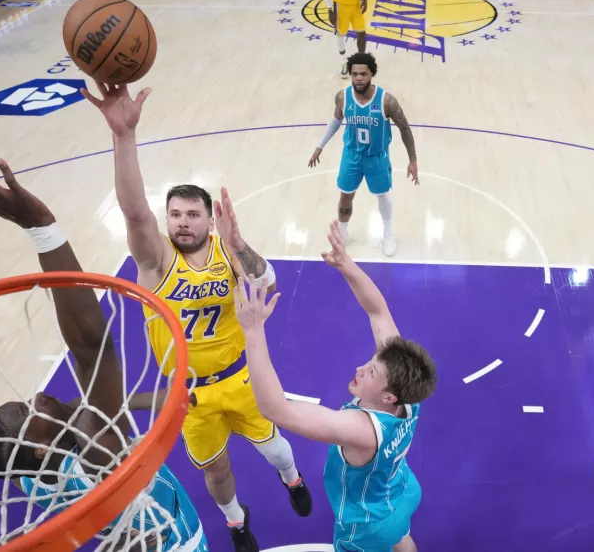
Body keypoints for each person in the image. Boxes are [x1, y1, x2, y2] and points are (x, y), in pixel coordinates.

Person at [81, 82, 311, 552]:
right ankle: (235, 521)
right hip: (190, 395)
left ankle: (291, 478)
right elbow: (134, 214)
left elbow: (267, 281)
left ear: (209, 220)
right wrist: (124, 139)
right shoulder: (156, 263)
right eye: (175, 215)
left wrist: (238, 242)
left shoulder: (230, 251)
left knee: (274, 449)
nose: (182, 222)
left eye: (192, 214)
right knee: (216, 470)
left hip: (242, 378)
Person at [0, 156, 207, 551]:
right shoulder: (97, 452)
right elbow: (94, 348)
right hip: (183, 542)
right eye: (28, 410)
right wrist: (41, 228)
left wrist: (162, 399)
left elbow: (80, 407)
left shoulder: (29, 473)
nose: (37, 397)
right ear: (40, 447)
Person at [235, 220, 438, 552]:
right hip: (401, 492)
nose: (360, 369)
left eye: (371, 373)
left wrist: (254, 333)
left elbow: (276, 410)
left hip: (367, 525)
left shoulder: (360, 430)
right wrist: (347, 264)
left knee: (382, 538)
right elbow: (378, 311)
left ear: (388, 396)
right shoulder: (408, 391)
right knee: (400, 537)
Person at [308, 53, 419, 257]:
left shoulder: (387, 101)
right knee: (345, 195)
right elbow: (335, 121)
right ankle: (342, 235)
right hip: (351, 156)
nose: (359, 78)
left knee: (383, 195)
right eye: (355, 74)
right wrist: (319, 146)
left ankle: (387, 234)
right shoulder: (342, 97)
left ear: (371, 74)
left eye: (363, 74)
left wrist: (412, 160)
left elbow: (405, 128)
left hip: (377, 157)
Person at [324, 0, 368, 77]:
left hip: (356, 4)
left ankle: (361, 62)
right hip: (341, 5)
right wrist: (329, 10)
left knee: (362, 33)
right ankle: (344, 63)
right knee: (340, 35)